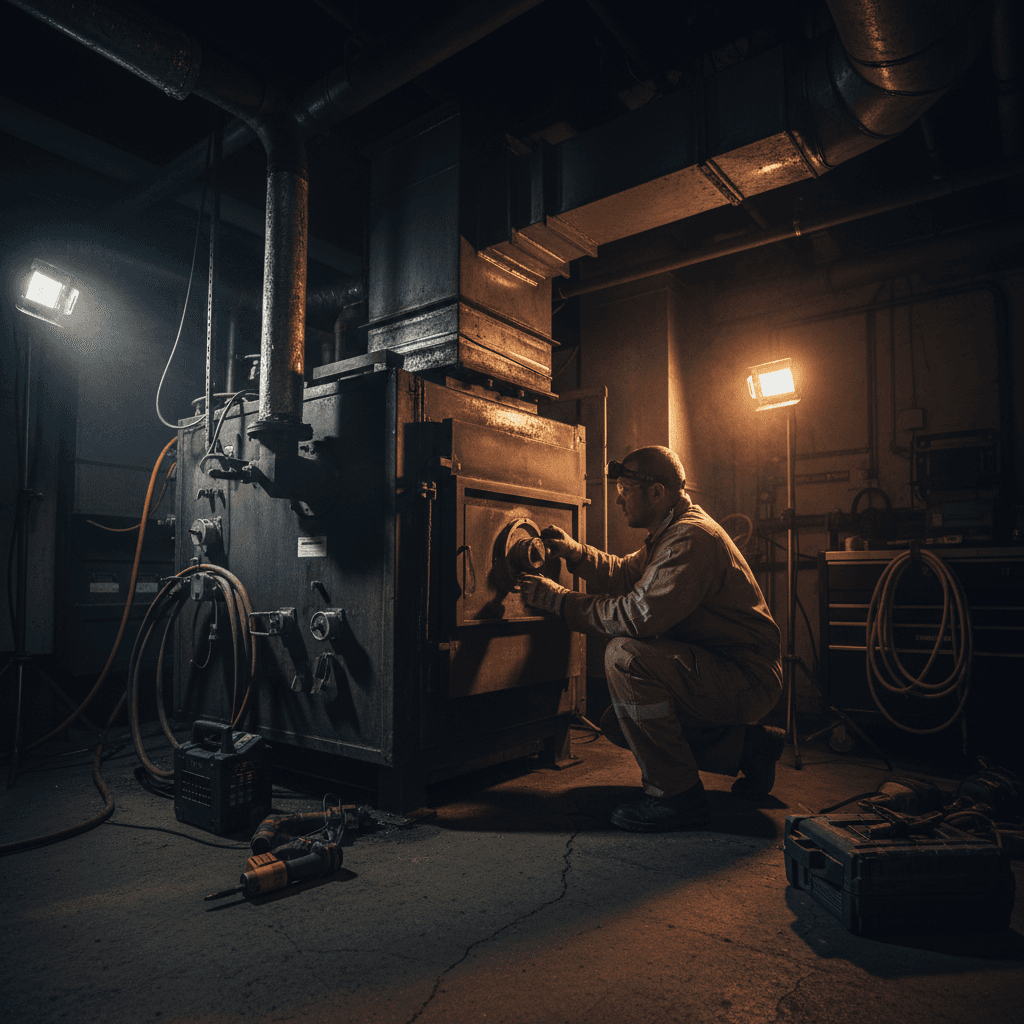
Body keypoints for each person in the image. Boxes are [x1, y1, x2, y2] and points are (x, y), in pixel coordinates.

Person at [521, 446, 784, 832]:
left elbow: (636, 616)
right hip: (724, 670)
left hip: (744, 678)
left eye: (626, 488)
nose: (618, 497)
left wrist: (558, 601)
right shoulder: (670, 532)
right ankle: (750, 749)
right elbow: (627, 574)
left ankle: (677, 797)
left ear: (657, 492)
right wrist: (576, 554)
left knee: (625, 656)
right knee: (618, 722)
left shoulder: (690, 539)